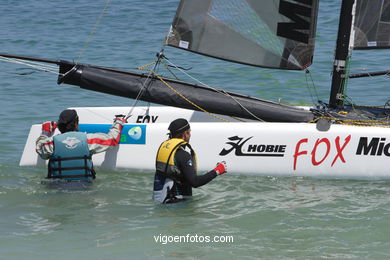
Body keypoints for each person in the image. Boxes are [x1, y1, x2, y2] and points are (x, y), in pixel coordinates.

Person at [35, 109, 126, 181]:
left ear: (59, 126)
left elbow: (39, 148)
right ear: (76, 124)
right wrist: (119, 122)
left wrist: (45, 132)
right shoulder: (88, 140)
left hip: (57, 188)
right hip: (84, 188)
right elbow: (113, 139)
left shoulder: (51, 143)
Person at [153, 118, 228, 203]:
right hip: (178, 206)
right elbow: (195, 182)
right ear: (185, 134)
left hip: (162, 201)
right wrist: (217, 171)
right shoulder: (183, 155)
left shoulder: (166, 151)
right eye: (190, 132)